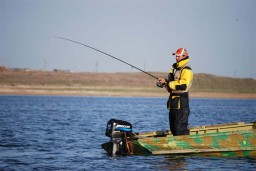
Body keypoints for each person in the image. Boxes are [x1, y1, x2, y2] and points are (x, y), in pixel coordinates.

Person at [156, 48, 193, 136]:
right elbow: (170, 85)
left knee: (180, 130)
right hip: (173, 104)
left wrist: (168, 83)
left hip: (182, 104)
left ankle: (183, 148)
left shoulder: (186, 69)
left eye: (178, 56)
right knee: (173, 129)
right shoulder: (174, 69)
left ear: (184, 56)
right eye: (175, 56)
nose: (176, 58)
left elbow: (184, 86)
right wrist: (163, 83)